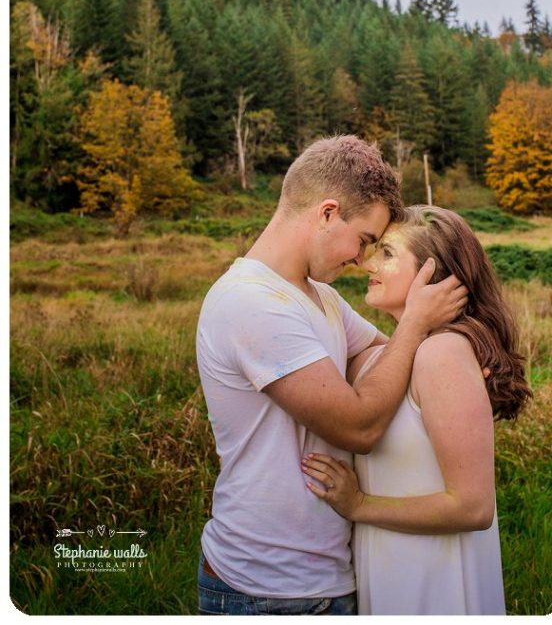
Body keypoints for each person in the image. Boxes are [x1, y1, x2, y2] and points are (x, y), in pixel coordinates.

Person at [195, 135, 467, 615]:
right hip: (268, 588)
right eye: (363, 240)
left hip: (320, 576)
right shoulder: (252, 302)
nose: (361, 260)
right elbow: (357, 426)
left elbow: (390, 358)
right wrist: (416, 323)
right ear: (326, 213)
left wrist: (457, 355)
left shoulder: (319, 297)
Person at [301, 205, 531, 615]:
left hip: (435, 578)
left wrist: (359, 506)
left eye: (388, 254)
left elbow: (474, 506)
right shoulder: (379, 360)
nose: (368, 262)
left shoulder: (442, 353)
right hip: (387, 567)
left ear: (432, 275)